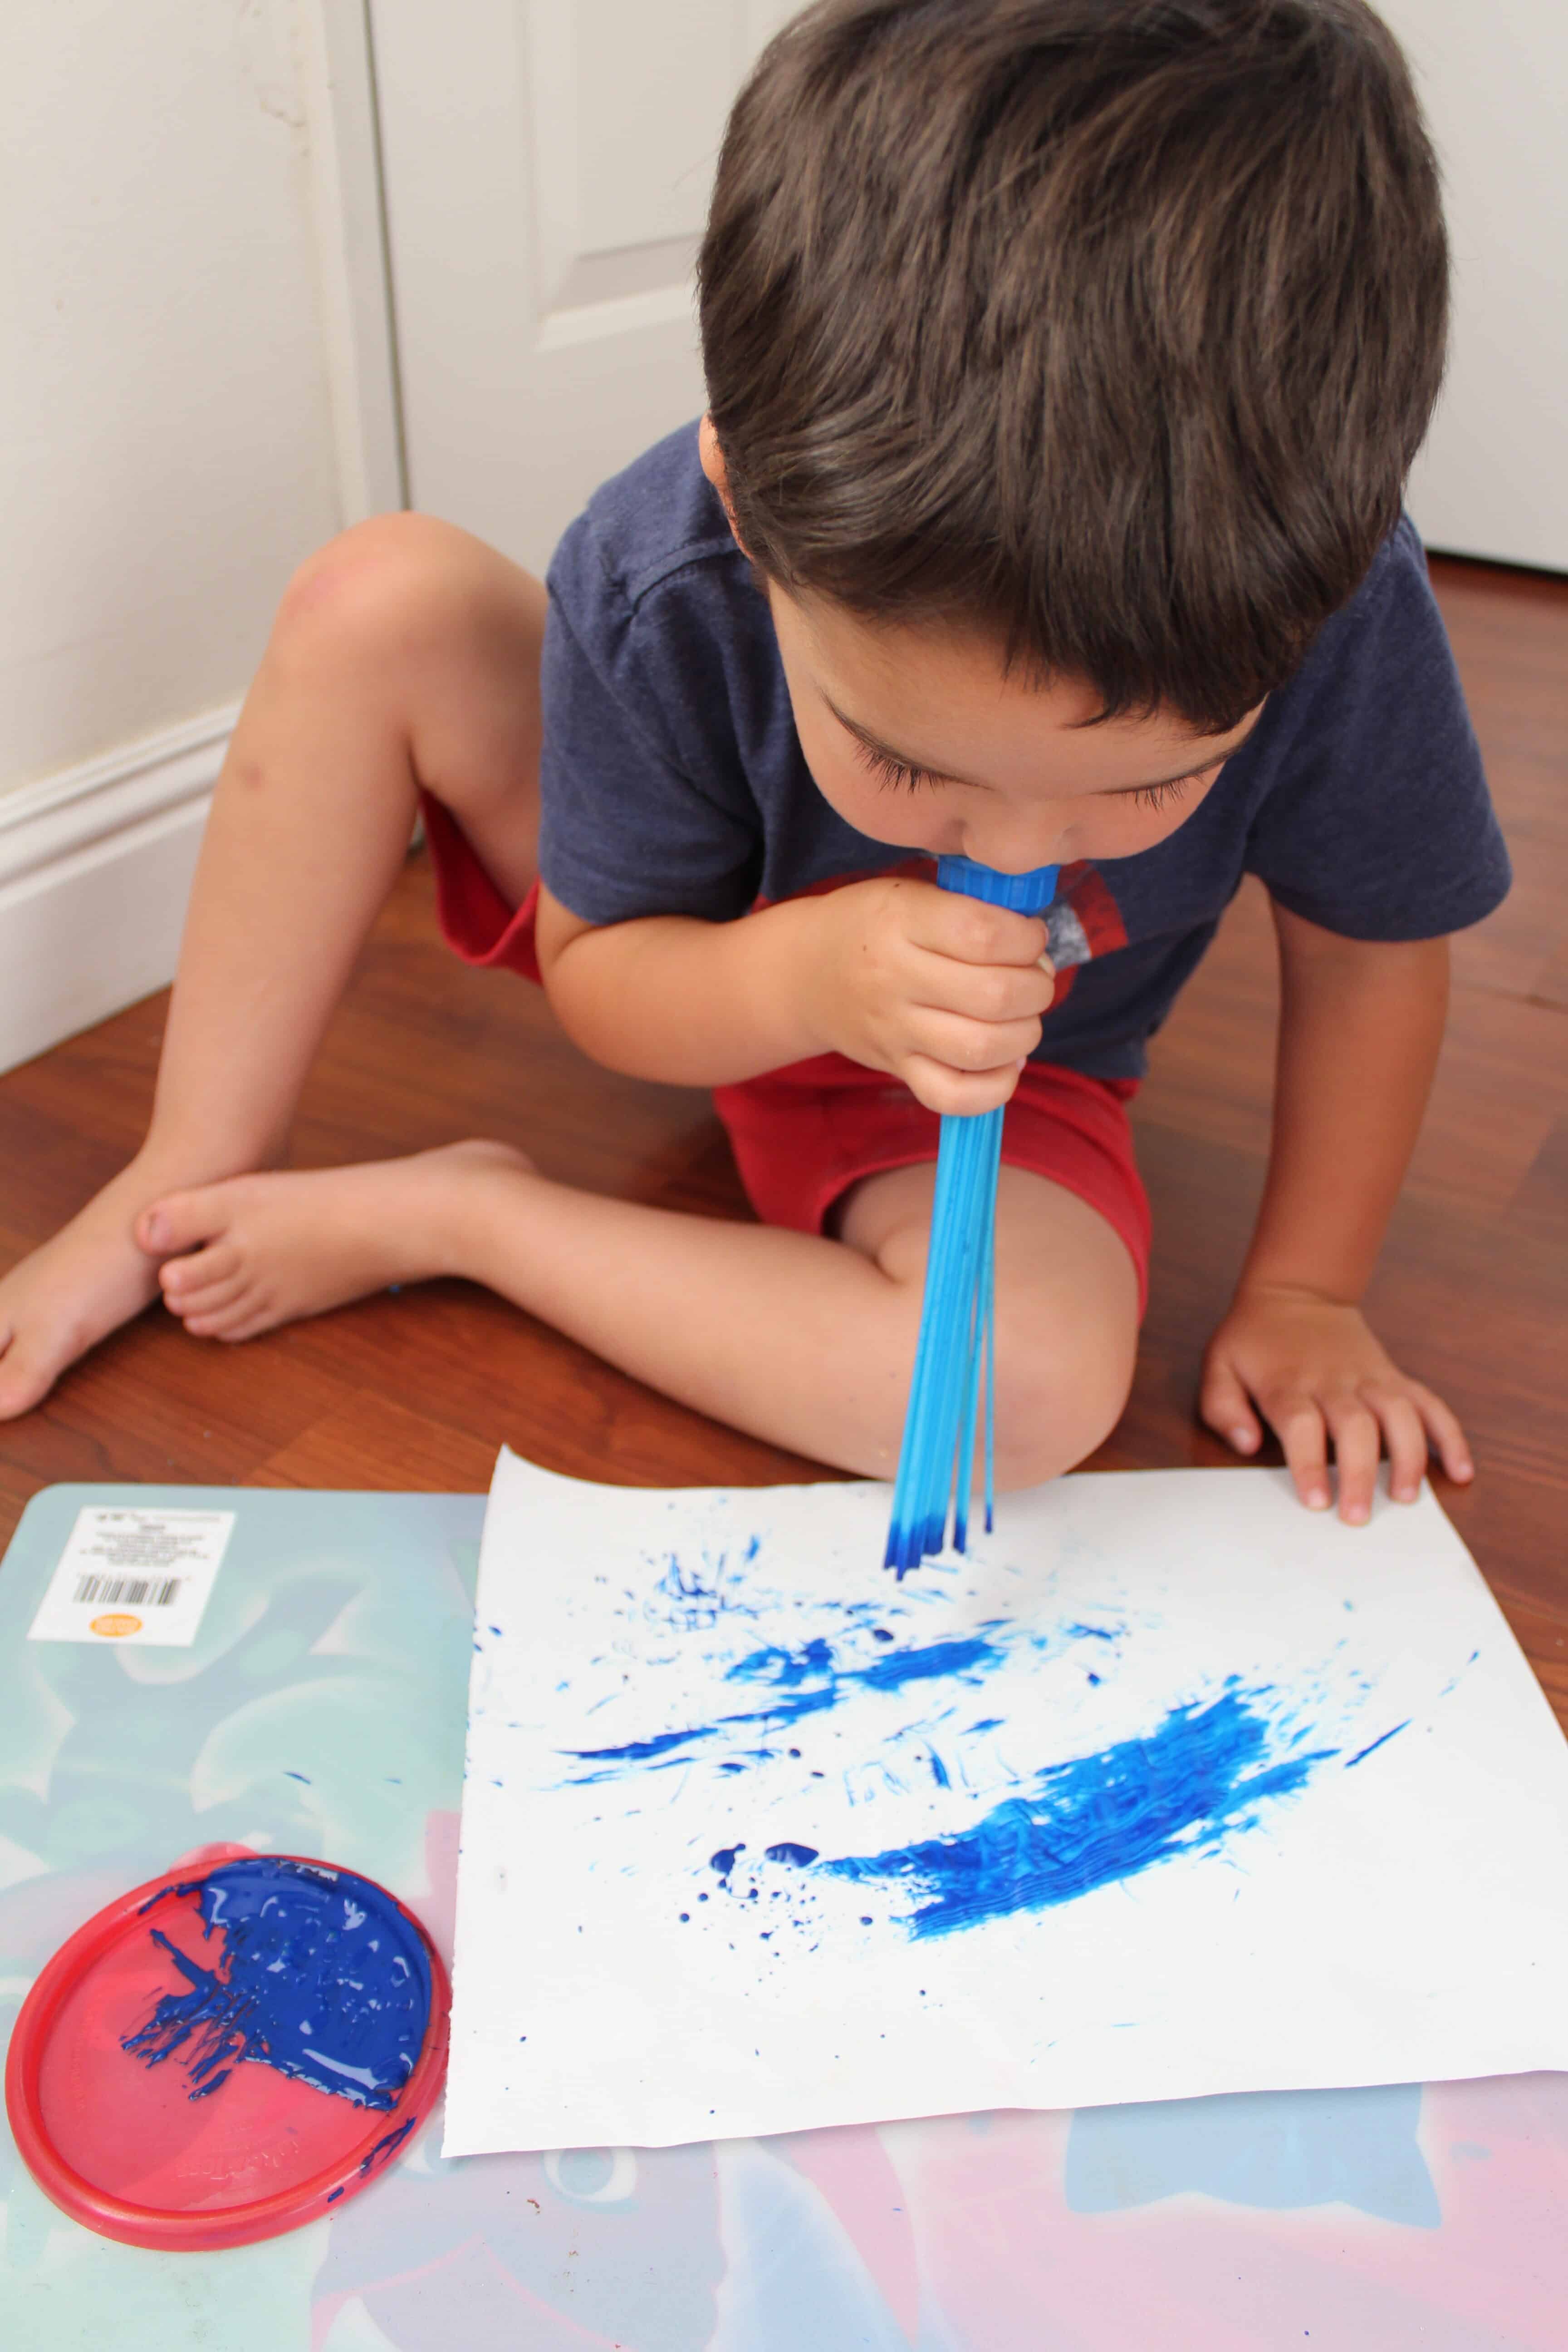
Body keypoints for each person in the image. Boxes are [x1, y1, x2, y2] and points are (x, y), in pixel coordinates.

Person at [0, 0, 1507, 1526]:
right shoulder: (660, 572)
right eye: (913, 764)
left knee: (1028, 1389)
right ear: (749, 508)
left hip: (983, 1086)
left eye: (1146, 786)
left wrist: (1310, 1290)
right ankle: (185, 1169)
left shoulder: (1334, 600)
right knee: (373, 603)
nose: (1028, 849)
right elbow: (607, 979)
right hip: (678, 933)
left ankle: (474, 1216)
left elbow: (1376, 951)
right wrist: (810, 979)